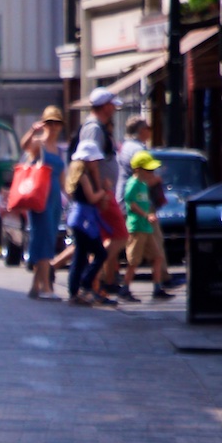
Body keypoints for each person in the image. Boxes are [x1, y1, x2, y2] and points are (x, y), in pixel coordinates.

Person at [79, 88, 128, 302]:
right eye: (112, 104)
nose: (115, 108)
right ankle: (90, 281)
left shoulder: (97, 127)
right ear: (105, 106)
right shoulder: (94, 128)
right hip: (103, 193)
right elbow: (91, 161)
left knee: (106, 239)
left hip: (104, 191)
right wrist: (100, 192)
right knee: (120, 235)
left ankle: (94, 286)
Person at [20, 106, 65, 301]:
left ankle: (36, 285)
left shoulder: (59, 149)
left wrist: (70, 197)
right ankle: (46, 286)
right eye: (50, 123)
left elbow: (62, 178)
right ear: (44, 124)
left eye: (57, 123)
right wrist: (33, 130)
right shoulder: (40, 144)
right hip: (41, 198)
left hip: (55, 199)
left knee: (47, 238)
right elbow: (24, 146)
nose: (53, 127)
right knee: (44, 239)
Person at [64, 138, 115, 307]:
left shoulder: (79, 174)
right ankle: (85, 285)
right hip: (83, 221)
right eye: (95, 160)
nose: (97, 163)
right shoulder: (84, 176)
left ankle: (74, 292)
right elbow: (92, 198)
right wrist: (104, 189)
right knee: (100, 253)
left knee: (80, 256)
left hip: (79, 219)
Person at [121, 150, 174, 302]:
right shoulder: (133, 184)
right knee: (134, 261)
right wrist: (146, 215)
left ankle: (157, 288)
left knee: (157, 256)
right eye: (148, 170)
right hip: (137, 226)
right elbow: (130, 203)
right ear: (138, 169)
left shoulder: (144, 185)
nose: (151, 173)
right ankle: (125, 288)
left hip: (147, 227)